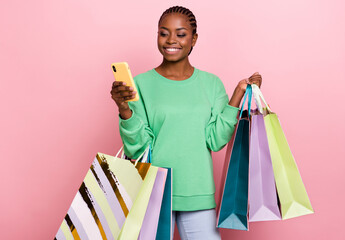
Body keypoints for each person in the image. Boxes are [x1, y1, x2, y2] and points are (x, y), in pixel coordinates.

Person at [110, 5, 262, 240]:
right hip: (154, 195)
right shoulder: (140, 84)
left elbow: (216, 140)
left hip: (198, 195)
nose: (171, 40)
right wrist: (124, 110)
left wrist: (237, 95)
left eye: (181, 34)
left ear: (194, 39)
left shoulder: (211, 84)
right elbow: (138, 148)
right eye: (163, 33)